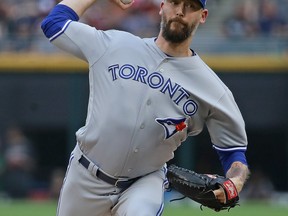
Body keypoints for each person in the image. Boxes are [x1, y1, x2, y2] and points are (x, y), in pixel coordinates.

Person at [41, 0, 250, 215]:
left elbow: (233, 151)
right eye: (174, 2)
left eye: (190, 6)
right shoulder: (114, 44)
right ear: (161, 6)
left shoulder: (213, 89)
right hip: (85, 175)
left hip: (144, 182)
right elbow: (54, 24)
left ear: (203, 16)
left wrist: (234, 185)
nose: (180, 11)